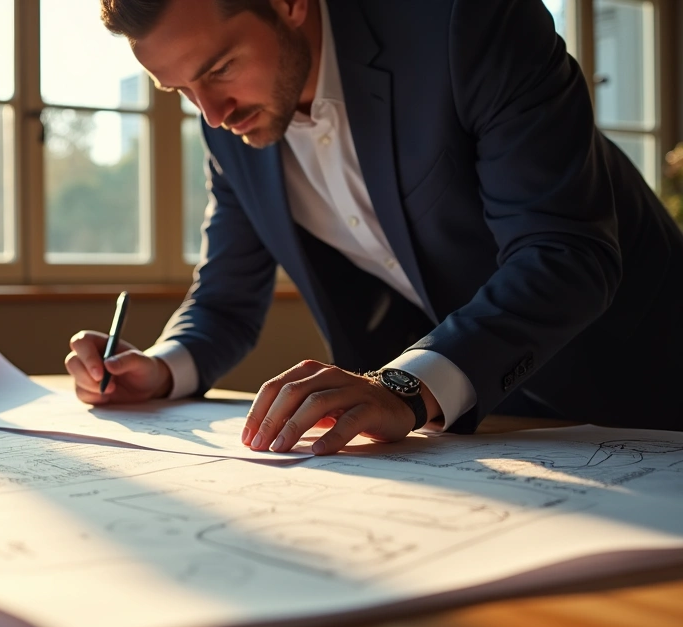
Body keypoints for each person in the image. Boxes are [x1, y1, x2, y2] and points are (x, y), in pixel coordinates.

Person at [65, 0, 683, 455]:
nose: (212, 113)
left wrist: (402, 387)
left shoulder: (466, 24)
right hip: (482, 430)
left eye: (220, 68)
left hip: (644, 386)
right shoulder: (230, 124)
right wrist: (160, 368)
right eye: (183, 90)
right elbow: (225, 298)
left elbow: (565, 251)